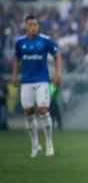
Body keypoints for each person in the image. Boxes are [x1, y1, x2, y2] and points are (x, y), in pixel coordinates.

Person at [12, 15, 62, 157]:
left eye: (35, 24)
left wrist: (58, 74)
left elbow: (57, 56)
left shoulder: (46, 40)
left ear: (38, 26)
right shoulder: (20, 42)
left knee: (43, 108)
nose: (33, 27)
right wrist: (15, 76)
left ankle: (49, 144)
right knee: (28, 112)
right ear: (26, 26)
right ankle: (35, 145)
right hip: (26, 81)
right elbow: (16, 59)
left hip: (42, 80)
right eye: (30, 25)